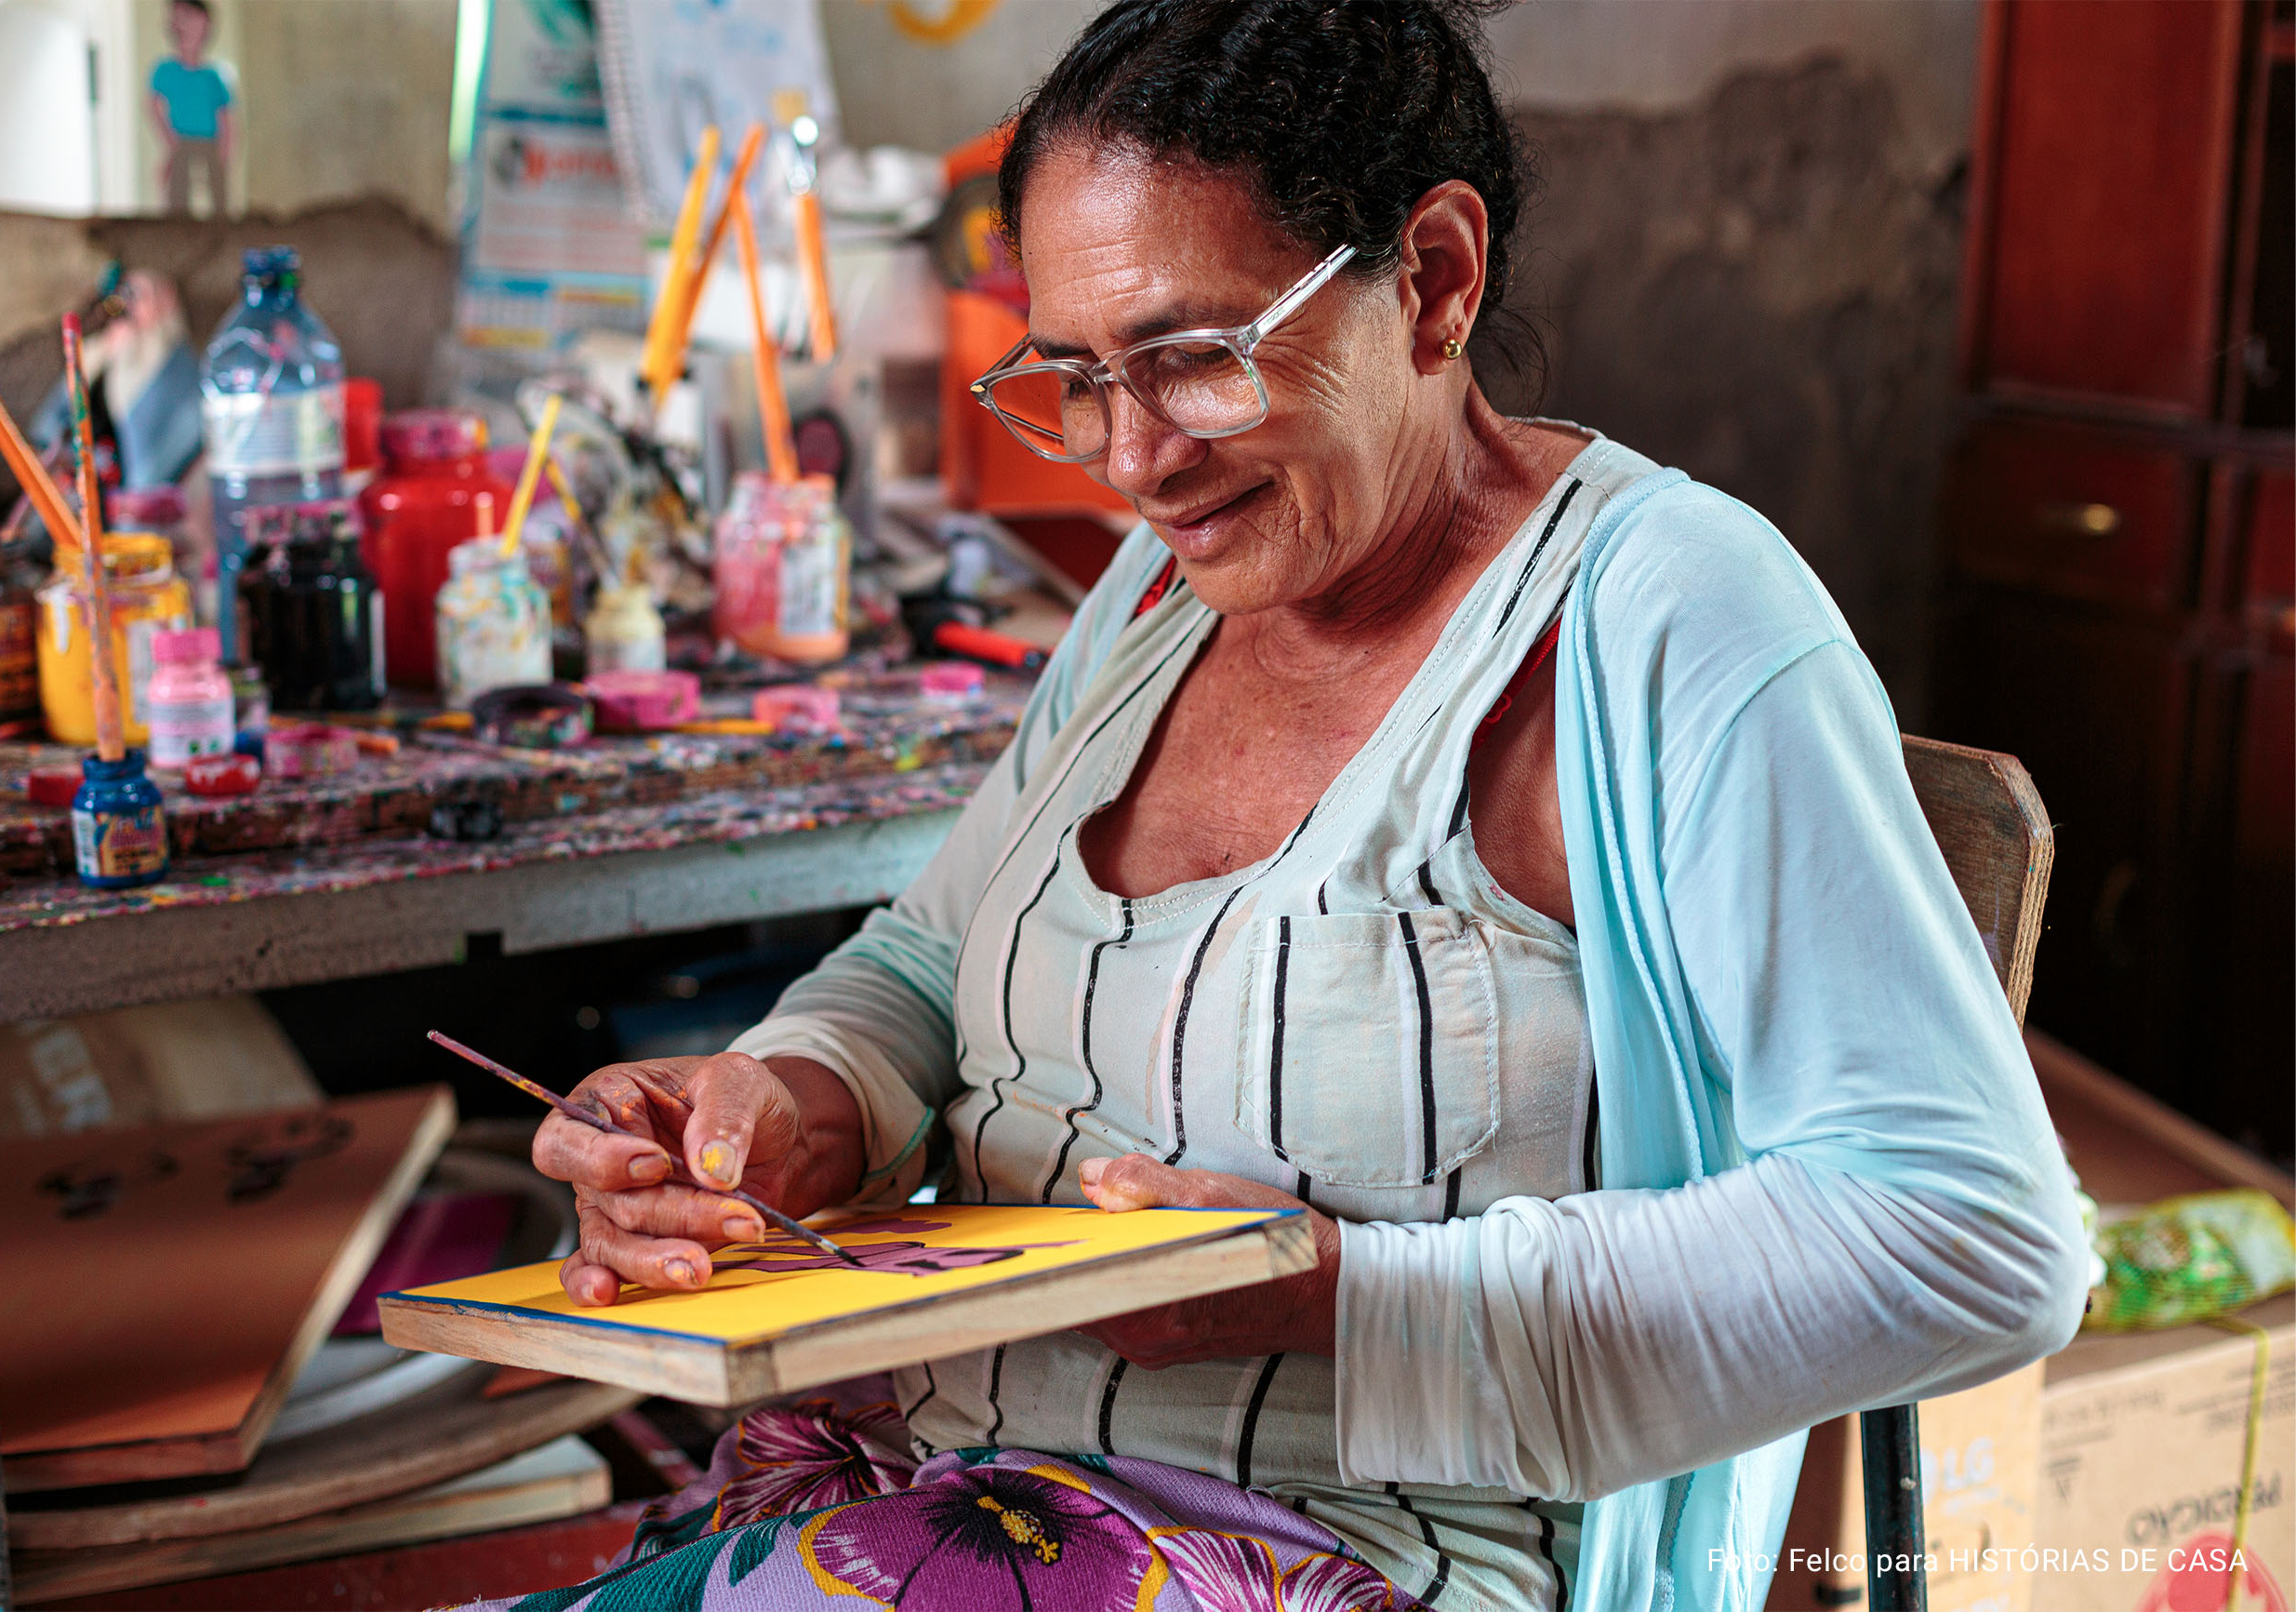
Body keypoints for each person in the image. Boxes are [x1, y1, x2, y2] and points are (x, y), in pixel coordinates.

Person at [510, 2, 2087, 1607]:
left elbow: (1970, 1235)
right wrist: (786, 1099)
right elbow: (931, 959)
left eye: (1196, 359)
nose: (1131, 458)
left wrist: (1340, 1298)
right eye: (1072, 376)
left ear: (1433, 281)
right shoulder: (1158, 592)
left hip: (1366, 1561)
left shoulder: (1665, 616)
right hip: (958, 1502)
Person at [147, 0, 232, 218]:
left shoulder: (213, 77)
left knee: (218, 198)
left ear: (205, 26)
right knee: (178, 200)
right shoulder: (164, 71)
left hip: (210, 144)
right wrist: (171, 144)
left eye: (190, 18)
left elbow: (226, 120)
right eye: (178, 18)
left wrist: (224, 154)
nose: (184, 26)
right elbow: (154, 107)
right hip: (182, 143)